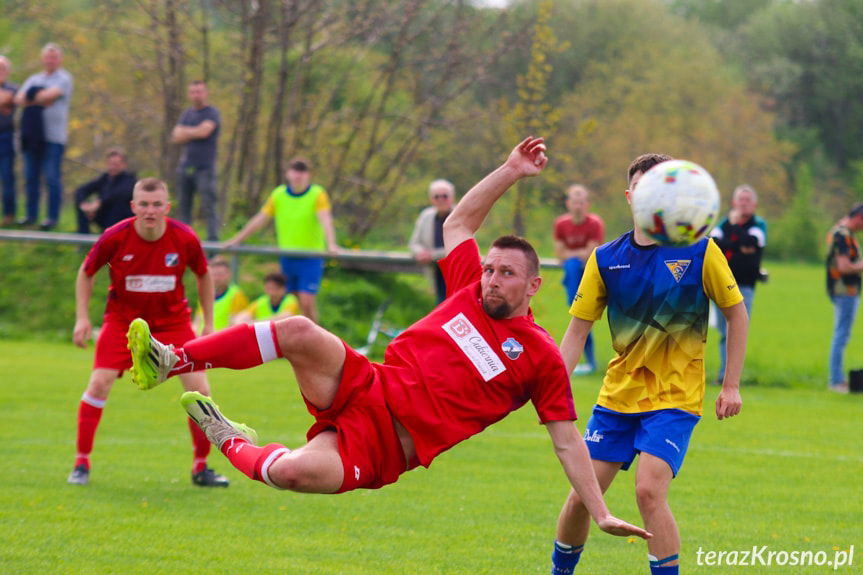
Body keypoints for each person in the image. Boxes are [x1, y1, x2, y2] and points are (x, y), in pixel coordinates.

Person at [127, 137, 650, 543]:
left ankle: (227, 438)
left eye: (506, 273)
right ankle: (171, 359)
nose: (491, 278)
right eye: (490, 269)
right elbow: (460, 221)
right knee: (297, 330)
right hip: (365, 382)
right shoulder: (469, 285)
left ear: (533, 286)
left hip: (386, 445)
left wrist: (599, 511)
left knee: (290, 472)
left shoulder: (539, 355)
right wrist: (511, 170)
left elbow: (565, 440)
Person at [551, 154, 748, 575]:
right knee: (584, 497)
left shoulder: (699, 249)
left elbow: (737, 312)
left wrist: (730, 384)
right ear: (629, 196)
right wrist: (553, 386)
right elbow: (576, 331)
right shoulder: (605, 258)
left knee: (648, 492)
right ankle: (559, 571)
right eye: (643, 188)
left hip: (675, 396)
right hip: (618, 396)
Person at [68, 177, 230, 488]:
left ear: (167, 207)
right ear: (133, 206)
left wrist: (208, 323)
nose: (150, 210)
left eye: (157, 205)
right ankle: (81, 463)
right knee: (99, 384)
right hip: (122, 323)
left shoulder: (184, 238)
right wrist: (82, 318)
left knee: (201, 391)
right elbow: (86, 272)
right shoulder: (115, 237)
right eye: (144, 204)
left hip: (172, 324)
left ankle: (201, 468)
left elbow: (204, 275)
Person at [223, 157, 338, 323]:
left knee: (306, 302)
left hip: (310, 257)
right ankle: (292, 343)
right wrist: (238, 239)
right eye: (295, 170)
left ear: (309, 175)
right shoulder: (279, 194)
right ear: (288, 174)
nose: (298, 175)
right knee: (291, 302)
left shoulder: (317, 193)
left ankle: (315, 340)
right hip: (287, 256)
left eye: (302, 171)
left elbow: (325, 218)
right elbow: (261, 218)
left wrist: (331, 244)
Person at [709, 185, 766, 384]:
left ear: (754, 205)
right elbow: (714, 244)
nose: (743, 203)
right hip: (721, 285)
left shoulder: (758, 225)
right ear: (734, 203)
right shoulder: (721, 224)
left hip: (744, 285)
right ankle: (723, 375)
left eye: (747, 200)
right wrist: (740, 245)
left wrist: (733, 234)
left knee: (737, 329)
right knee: (724, 332)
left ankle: (732, 377)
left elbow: (752, 242)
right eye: (740, 200)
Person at [14, 43, 73, 230]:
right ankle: (31, 216)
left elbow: (50, 96)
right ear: (42, 59)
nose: (50, 60)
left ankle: (51, 218)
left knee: (51, 178)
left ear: (60, 60)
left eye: (54, 57)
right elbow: (18, 99)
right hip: (32, 137)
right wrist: (39, 97)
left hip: (53, 138)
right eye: (48, 57)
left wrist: (33, 96)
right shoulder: (34, 78)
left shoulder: (64, 78)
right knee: (31, 177)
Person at [553, 184, 605, 374]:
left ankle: (590, 362)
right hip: (573, 275)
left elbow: (590, 253)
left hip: (589, 276)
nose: (578, 206)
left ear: (587, 204)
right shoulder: (561, 224)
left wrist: (572, 256)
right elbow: (559, 254)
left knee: (583, 317)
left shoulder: (594, 223)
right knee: (572, 265)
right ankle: (586, 363)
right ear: (568, 204)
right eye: (575, 202)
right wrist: (575, 256)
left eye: (581, 202)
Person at [172, 80, 220, 241]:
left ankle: (213, 246)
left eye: (199, 91)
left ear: (206, 93)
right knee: (184, 207)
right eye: (193, 92)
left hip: (205, 168)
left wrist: (187, 132)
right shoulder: (187, 114)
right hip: (186, 167)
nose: (196, 95)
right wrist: (196, 131)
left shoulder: (212, 113)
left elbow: (205, 132)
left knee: (209, 207)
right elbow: (176, 136)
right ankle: (183, 242)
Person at [825, 203, 863, 393]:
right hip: (844, 290)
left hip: (844, 290)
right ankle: (836, 380)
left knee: (841, 334)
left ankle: (837, 378)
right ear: (858, 218)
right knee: (841, 335)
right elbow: (844, 266)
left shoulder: (841, 231)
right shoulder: (843, 235)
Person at [408, 179, 456, 303]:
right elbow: (414, 243)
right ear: (431, 199)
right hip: (434, 270)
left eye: (444, 196)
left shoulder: (460, 215)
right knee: (440, 304)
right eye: (436, 196)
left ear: (452, 197)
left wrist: (432, 255)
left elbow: (461, 246)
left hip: (455, 270)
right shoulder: (426, 216)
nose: (440, 200)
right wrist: (420, 253)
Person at [74, 148, 136, 234]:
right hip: (102, 215)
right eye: (110, 164)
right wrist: (84, 205)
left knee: (118, 204)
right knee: (81, 205)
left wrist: (99, 202)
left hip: (122, 218)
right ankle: (83, 236)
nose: (112, 167)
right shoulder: (105, 178)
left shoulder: (130, 179)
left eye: (116, 164)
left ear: (124, 165)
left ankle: (111, 235)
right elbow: (81, 190)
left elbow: (120, 194)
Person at [193, 258, 249, 333]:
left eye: (220, 275)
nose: (217, 278)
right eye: (214, 275)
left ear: (228, 275)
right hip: (201, 339)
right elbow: (197, 321)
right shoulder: (204, 293)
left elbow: (235, 325)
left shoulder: (236, 295)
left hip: (222, 339)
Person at [234, 272, 299, 324]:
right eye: (269, 288)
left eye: (275, 289)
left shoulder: (291, 300)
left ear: (284, 288)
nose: (272, 292)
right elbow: (240, 318)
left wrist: (255, 323)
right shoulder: (261, 301)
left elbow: (285, 316)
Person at [0, 56, 18, 227]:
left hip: (5, 137)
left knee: (7, 177)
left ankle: (9, 214)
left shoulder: (13, 88)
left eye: (2, 68)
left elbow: (10, 99)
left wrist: (6, 100)